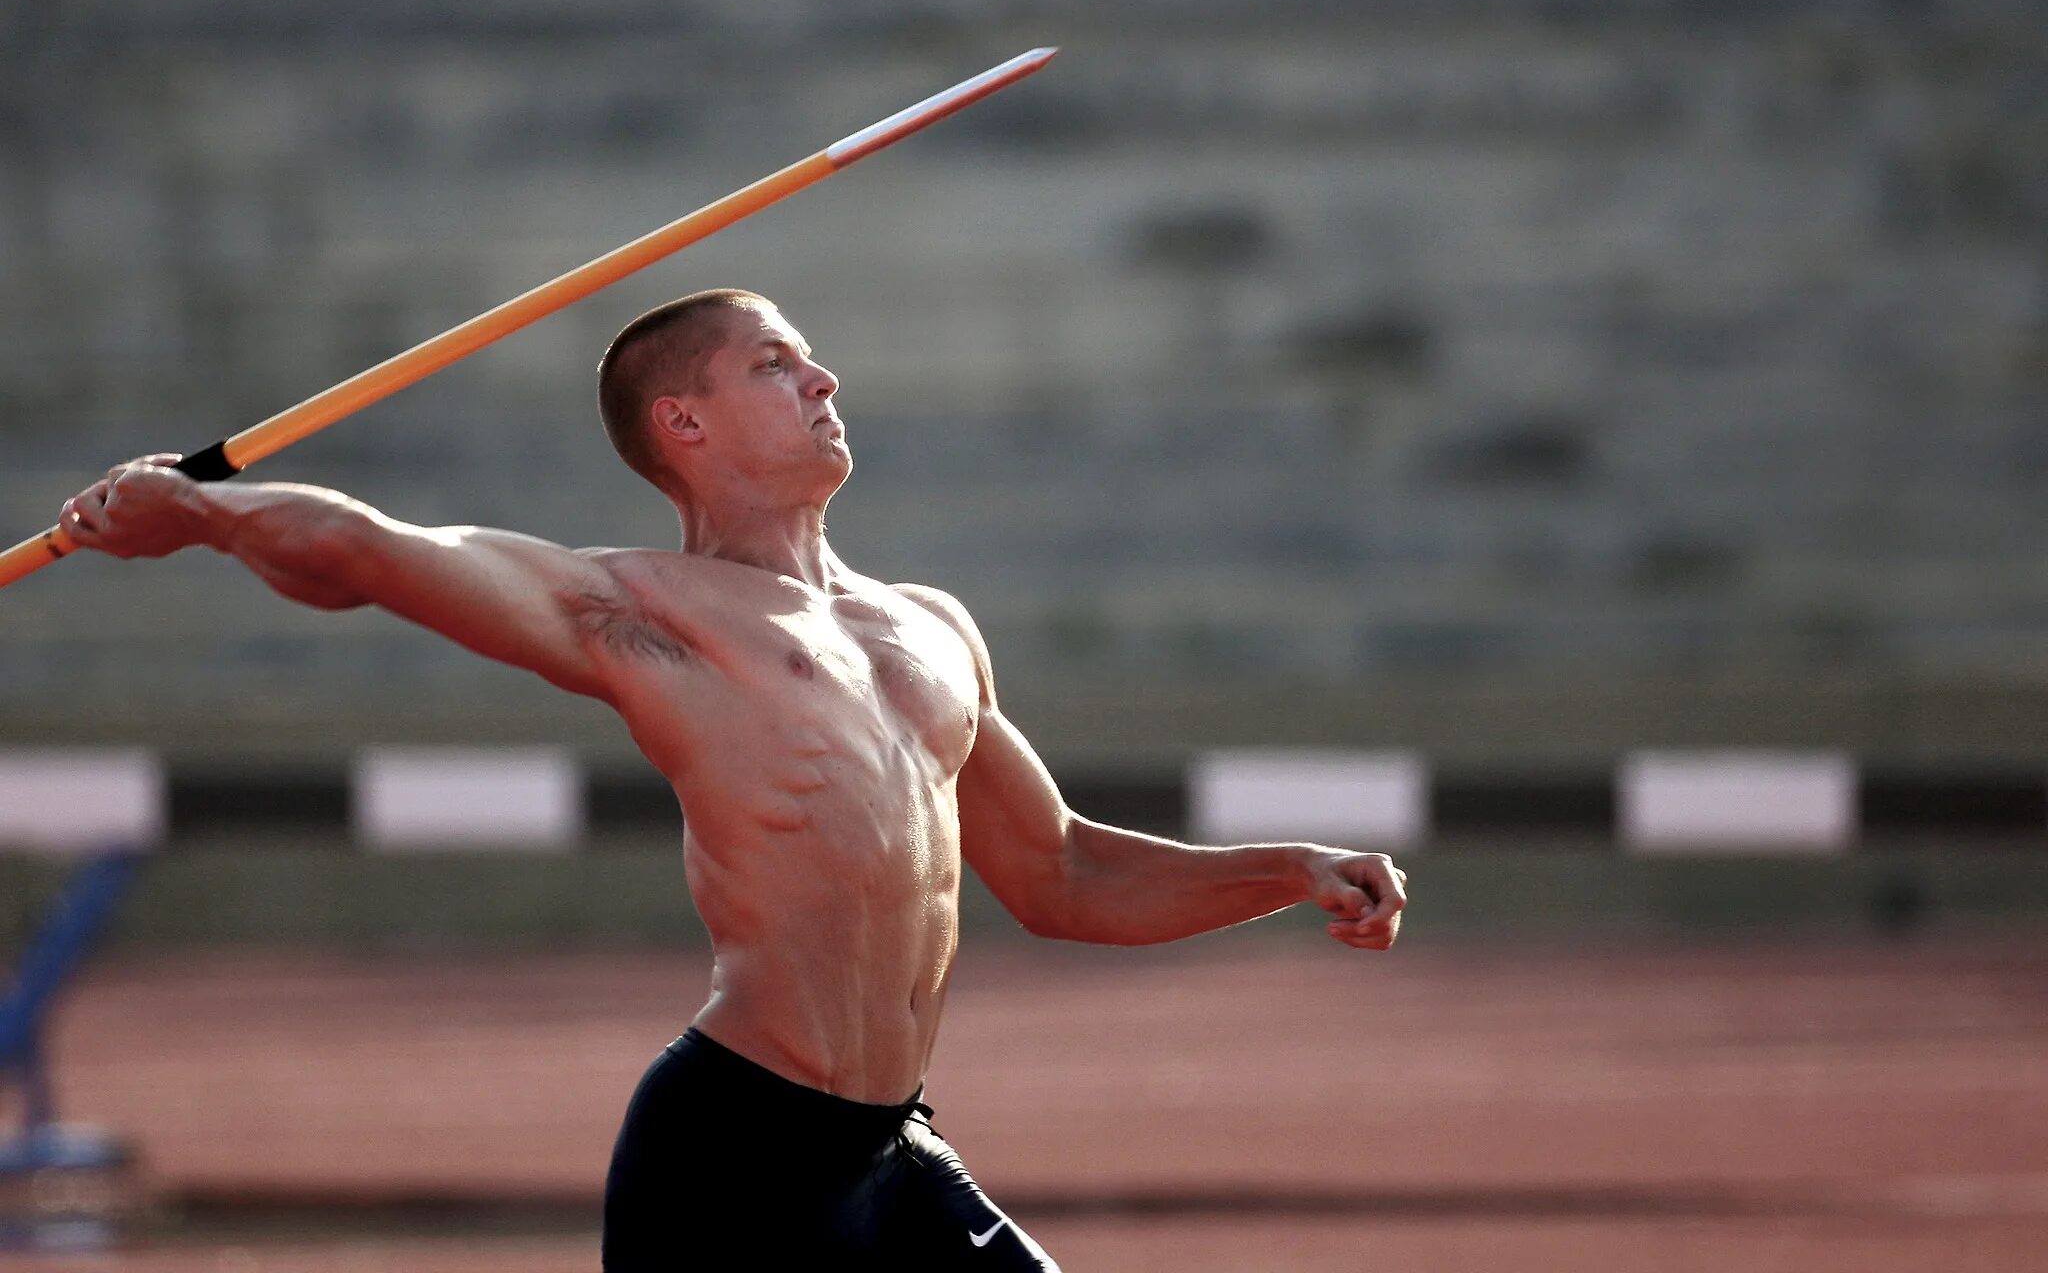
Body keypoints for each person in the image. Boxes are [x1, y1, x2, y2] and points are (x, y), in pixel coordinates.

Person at [57, 287, 1408, 1269]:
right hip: (735, 1162)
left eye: (818, 362)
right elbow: (360, 549)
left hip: (891, 1155)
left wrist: (1286, 871)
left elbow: (1060, 873)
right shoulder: (639, 611)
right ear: (683, 421)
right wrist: (195, 513)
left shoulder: (929, 627)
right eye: (778, 364)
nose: (824, 382)